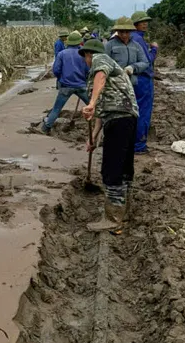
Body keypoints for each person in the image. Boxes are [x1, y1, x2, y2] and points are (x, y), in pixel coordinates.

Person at [80, 39, 139, 231]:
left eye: (85, 58)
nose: (86, 61)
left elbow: (100, 77)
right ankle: (125, 212)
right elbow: (102, 113)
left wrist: (91, 102)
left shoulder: (100, 59)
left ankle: (113, 220)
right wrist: (93, 137)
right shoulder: (109, 70)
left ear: (88, 55)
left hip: (119, 119)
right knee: (123, 168)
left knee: (111, 170)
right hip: (125, 118)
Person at [41, 32, 89, 134]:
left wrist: (61, 78)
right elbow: (88, 69)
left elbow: (56, 70)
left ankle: (46, 127)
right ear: (79, 42)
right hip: (81, 85)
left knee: (56, 109)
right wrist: (84, 79)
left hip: (65, 86)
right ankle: (102, 125)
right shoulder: (84, 53)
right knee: (92, 105)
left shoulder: (62, 54)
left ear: (68, 42)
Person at [130, 11, 158, 154]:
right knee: (143, 111)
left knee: (133, 111)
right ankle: (139, 145)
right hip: (143, 79)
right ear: (136, 24)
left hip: (132, 78)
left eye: (146, 21)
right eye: (143, 22)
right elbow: (148, 61)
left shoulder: (129, 38)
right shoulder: (139, 39)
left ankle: (131, 141)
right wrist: (154, 49)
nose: (145, 24)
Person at [104, 17, 149, 88]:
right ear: (117, 31)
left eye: (127, 32)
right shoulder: (110, 45)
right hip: (115, 84)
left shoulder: (136, 45)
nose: (124, 35)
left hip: (132, 83)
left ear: (131, 31)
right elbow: (104, 63)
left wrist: (133, 67)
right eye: (121, 32)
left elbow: (145, 62)